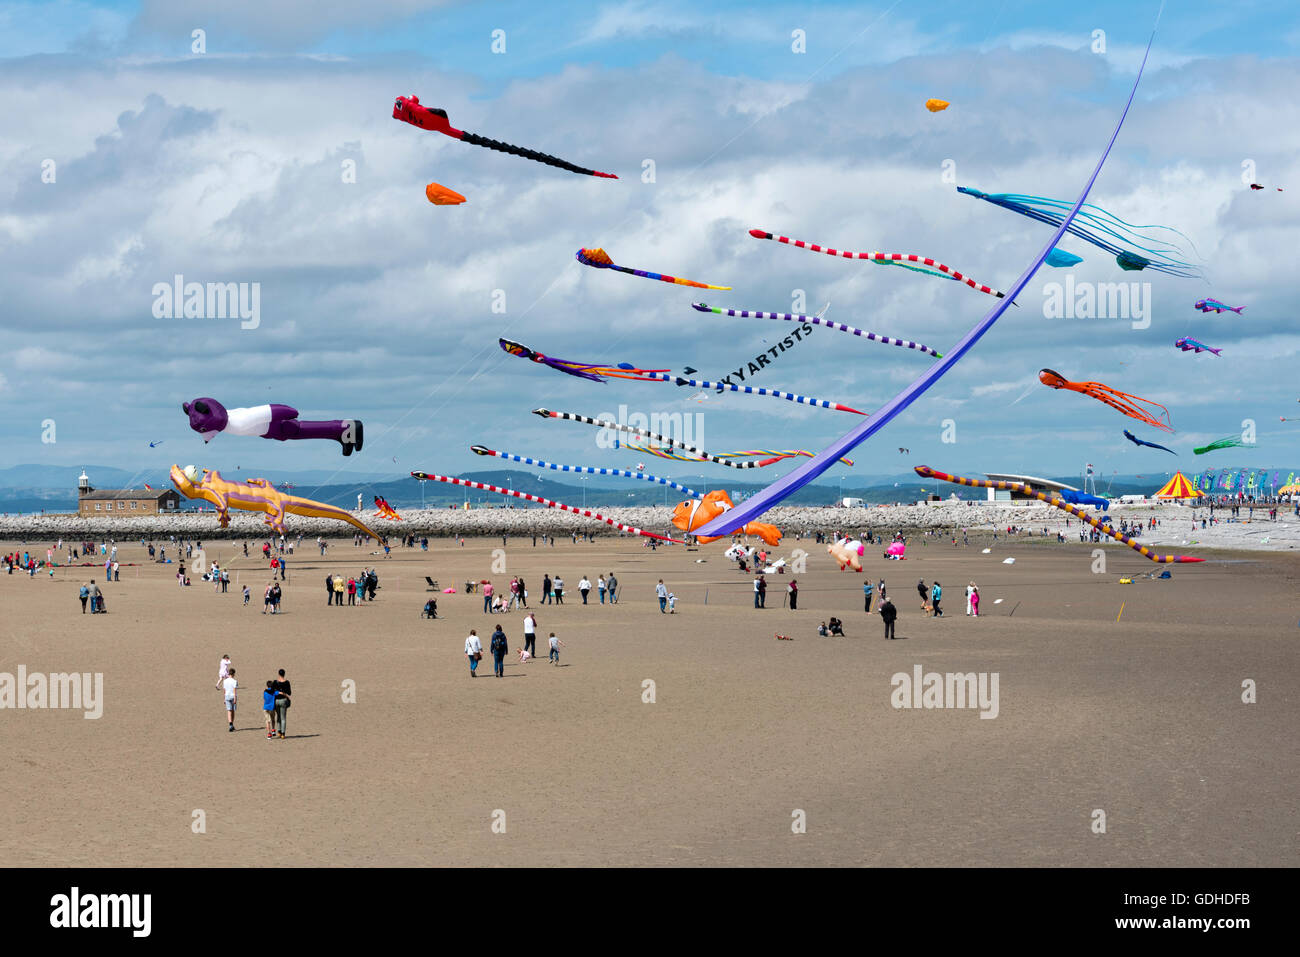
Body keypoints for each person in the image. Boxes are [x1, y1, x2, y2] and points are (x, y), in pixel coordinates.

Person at [272, 669, 291, 738]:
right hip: (283, 700)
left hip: (276, 701)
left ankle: (279, 732)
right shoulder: (287, 682)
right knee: (283, 718)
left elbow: (272, 691)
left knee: (278, 716)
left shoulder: (275, 682)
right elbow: (289, 693)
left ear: (279, 674)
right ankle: (283, 733)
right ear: (284, 674)